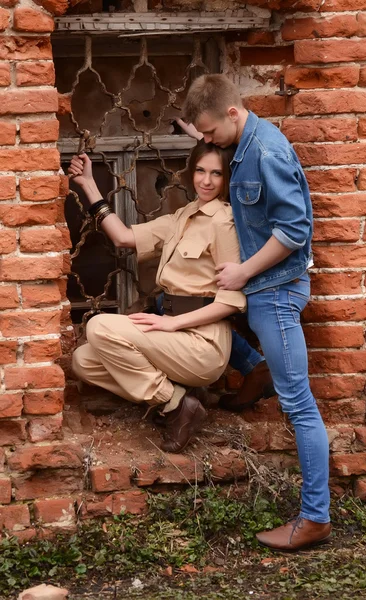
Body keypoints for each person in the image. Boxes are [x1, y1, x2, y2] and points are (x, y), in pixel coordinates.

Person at [182, 74, 331, 552]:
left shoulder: (265, 152)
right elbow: (216, 139)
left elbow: (294, 231)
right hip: (264, 293)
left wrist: (243, 272)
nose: (206, 143)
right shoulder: (243, 143)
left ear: (232, 114)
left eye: (208, 133)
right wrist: (200, 137)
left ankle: (315, 519)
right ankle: (253, 366)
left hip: (276, 292)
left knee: (300, 406)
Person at [69, 141, 247, 453]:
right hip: (173, 340)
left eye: (216, 173)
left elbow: (231, 302)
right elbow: (124, 237)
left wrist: (172, 325)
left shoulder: (224, 222)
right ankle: (179, 396)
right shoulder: (181, 217)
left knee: (99, 327)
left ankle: (175, 406)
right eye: (201, 171)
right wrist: (89, 184)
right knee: (83, 361)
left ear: (227, 177)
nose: (206, 180)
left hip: (203, 344)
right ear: (192, 172)